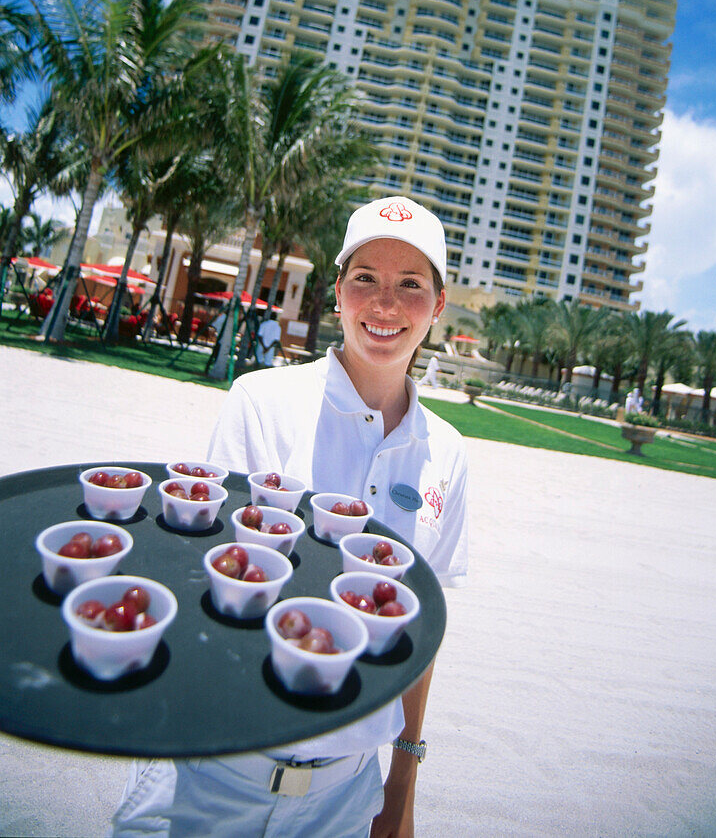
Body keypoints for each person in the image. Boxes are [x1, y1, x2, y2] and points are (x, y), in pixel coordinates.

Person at [111, 195, 468, 838]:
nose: (385, 304)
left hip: (344, 797)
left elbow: (420, 632)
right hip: (212, 774)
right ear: (338, 292)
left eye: (410, 285)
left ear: (438, 305)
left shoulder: (446, 453)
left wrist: (403, 783)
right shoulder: (261, 402)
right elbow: (207, 582)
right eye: (366, 279)